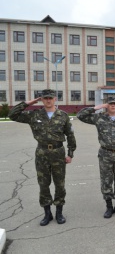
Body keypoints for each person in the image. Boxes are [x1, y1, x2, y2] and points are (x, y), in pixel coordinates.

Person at [8, 89, 76, 226]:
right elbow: (12, 115)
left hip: (58, 152)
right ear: (42, 100)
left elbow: (70, 135)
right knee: (43, 185)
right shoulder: (34, 115)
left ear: (55, 99)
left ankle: (59, 212)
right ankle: (47, 213)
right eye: (45, 98)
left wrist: (70, 154)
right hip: (42, 153)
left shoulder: (63, 115)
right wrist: (29, 102)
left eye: (50, 98)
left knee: (59, 184)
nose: (48, 100)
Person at [77, 97, 115, 218]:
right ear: (107, 105)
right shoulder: (99, 118)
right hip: (105, 154)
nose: (112, 106)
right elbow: (80, 115)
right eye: (110, 104)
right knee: (106, 181)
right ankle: (109, 207)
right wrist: (96, 108)